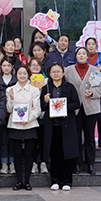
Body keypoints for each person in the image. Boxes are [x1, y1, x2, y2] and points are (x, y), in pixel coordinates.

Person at [65, 47, 101, 175]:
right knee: (76, 136)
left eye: (84, 53)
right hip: (75, 108)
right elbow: (65, 87)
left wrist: (92, 93)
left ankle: (90, 163)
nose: (81, 55)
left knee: (89, 136)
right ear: (75, 56)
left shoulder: (94, 70)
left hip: (91, 107)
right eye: (79, 53)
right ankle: (77, 163)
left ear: (88, 56)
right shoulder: (68, 70)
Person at [41, 63, 80, 191]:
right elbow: (42, 107)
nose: (56, 74)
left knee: (67, 154)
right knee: (54, 154)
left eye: (58, 71)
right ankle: (55, 180)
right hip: (52, 126)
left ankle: (67, 181)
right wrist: (46, 101)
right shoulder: (46, 88)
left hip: (67, 125)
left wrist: (63, 107)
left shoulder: (70, 87)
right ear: (49, 74)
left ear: (63, 73)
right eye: (53, 72)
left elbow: (77, 103)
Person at [7, 65, 41, 191]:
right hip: (15, 125)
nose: (22, 75)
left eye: (24, 73)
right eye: (19, 73)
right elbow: (8, 109)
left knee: (28, 154)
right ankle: (18, 181)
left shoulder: (34, 90)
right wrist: (11, 98)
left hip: (30, 124)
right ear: (16, 75)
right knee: (16, 154)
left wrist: (28, 118)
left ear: (28, 75)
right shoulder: (10, 89)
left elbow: (37, 109)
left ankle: (27, 181)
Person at [0, 57, 17, 175]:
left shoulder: (17, 80)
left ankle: (12, 163)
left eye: (9, 65)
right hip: (1, 115)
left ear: (12, 67)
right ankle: (4, 163)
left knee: (13, 139)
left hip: (15, 114)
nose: (6, 68)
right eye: (4, 65)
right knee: (3, 140)